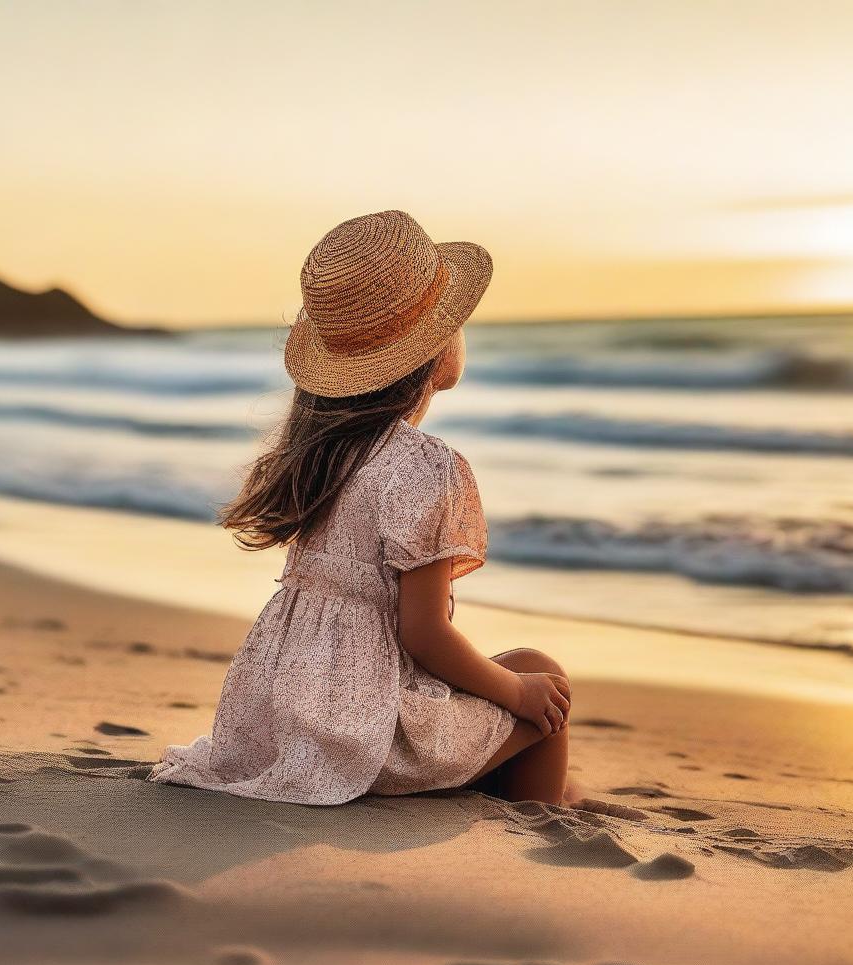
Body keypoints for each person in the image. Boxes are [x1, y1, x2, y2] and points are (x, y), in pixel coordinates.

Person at [147, 209, 573, 806]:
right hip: (361, 735)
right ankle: (544, 814)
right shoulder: (426, 466)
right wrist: (517, 693)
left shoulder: (315, 454)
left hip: (276, 721)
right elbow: (424, 635)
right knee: (539, 674)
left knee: (511, 681)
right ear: (436, 349)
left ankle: (525, 791)